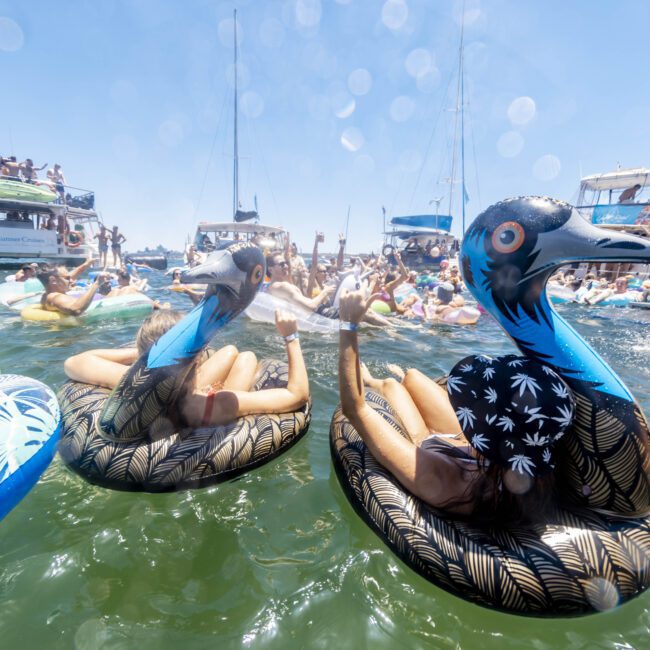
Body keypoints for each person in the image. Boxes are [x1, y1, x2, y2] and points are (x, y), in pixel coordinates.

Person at [337, 289, 575, 522]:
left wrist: (348, 324)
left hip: (436, 446)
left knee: (391, 385)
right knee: (413, 376)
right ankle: (392, 380)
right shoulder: (532, 458)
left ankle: (370, 380)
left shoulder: (445, 483)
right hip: (477, 454)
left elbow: (356, 410)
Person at [63, 309, 309, 428]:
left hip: (166, 398)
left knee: (231, 351)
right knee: (246, 358)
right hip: (196, 408)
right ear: (197, 358)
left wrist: (146, 355)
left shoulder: (125, 379)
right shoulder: (210, 406)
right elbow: (296, 396)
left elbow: (73, 362)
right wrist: (291, 337)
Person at [37, 265, 108, 316]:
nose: (71, 281)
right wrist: (97, 283)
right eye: (67, 278)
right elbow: (76, 309)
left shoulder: (46, 296)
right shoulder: (56, 297)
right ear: (53, 280)